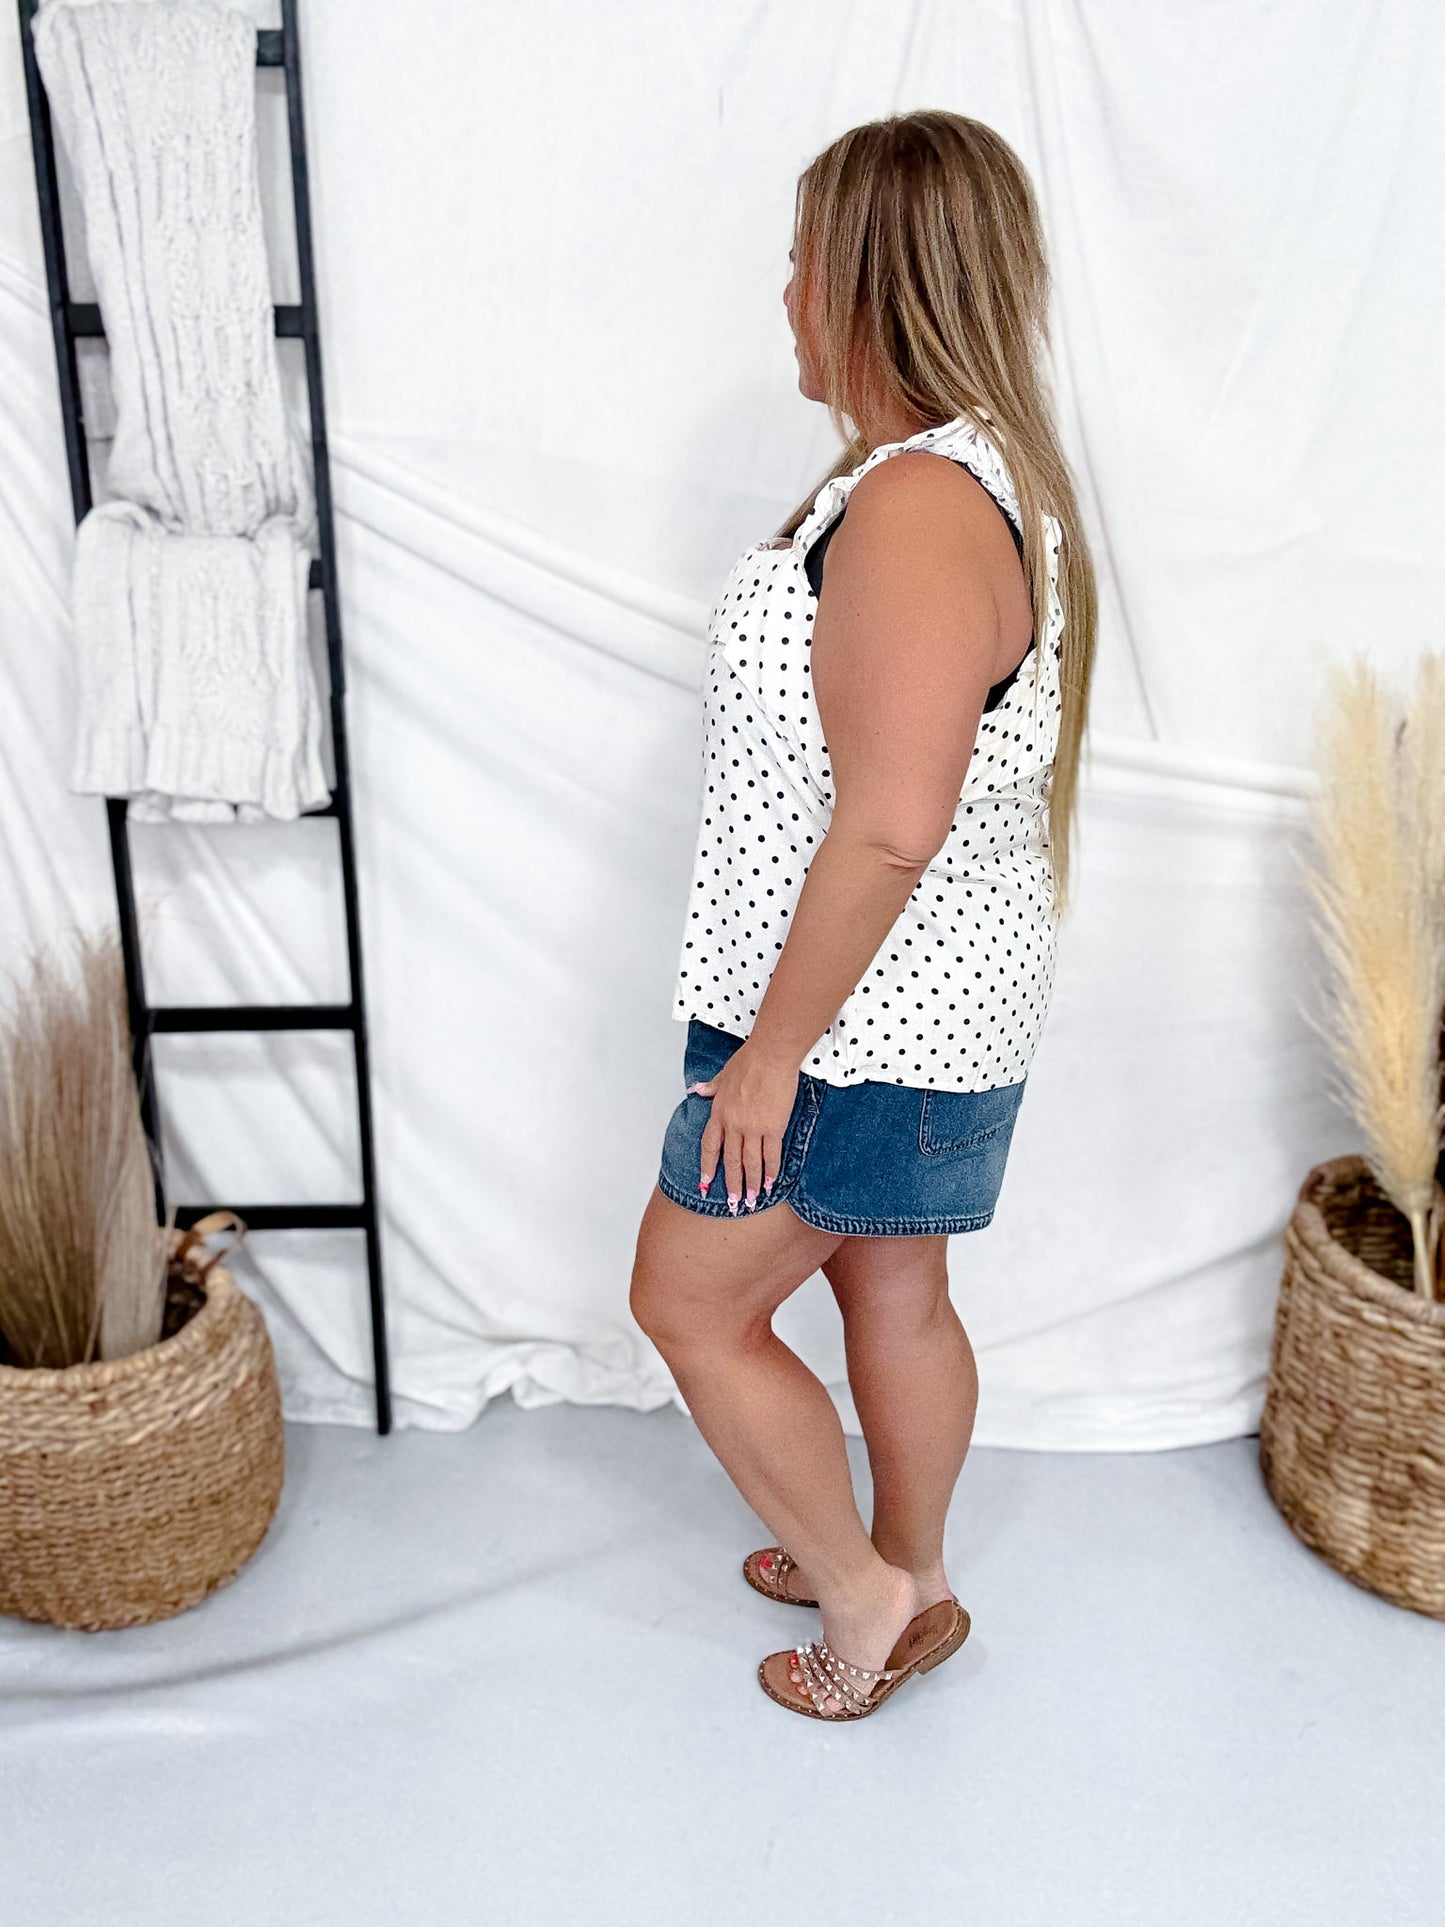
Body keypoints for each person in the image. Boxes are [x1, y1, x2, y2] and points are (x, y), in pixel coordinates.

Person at [629, 109, 1098, 1722]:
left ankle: (860, 1596)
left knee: (685, 1301)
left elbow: (891, 822)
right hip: (930, 1007)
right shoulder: (978, 479)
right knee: (890, 1285)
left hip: (851, 1023)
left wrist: (770, 1053)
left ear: (862, 281)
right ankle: (915, 1562)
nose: (779, 296)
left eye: (797, 260)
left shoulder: (910, 505)